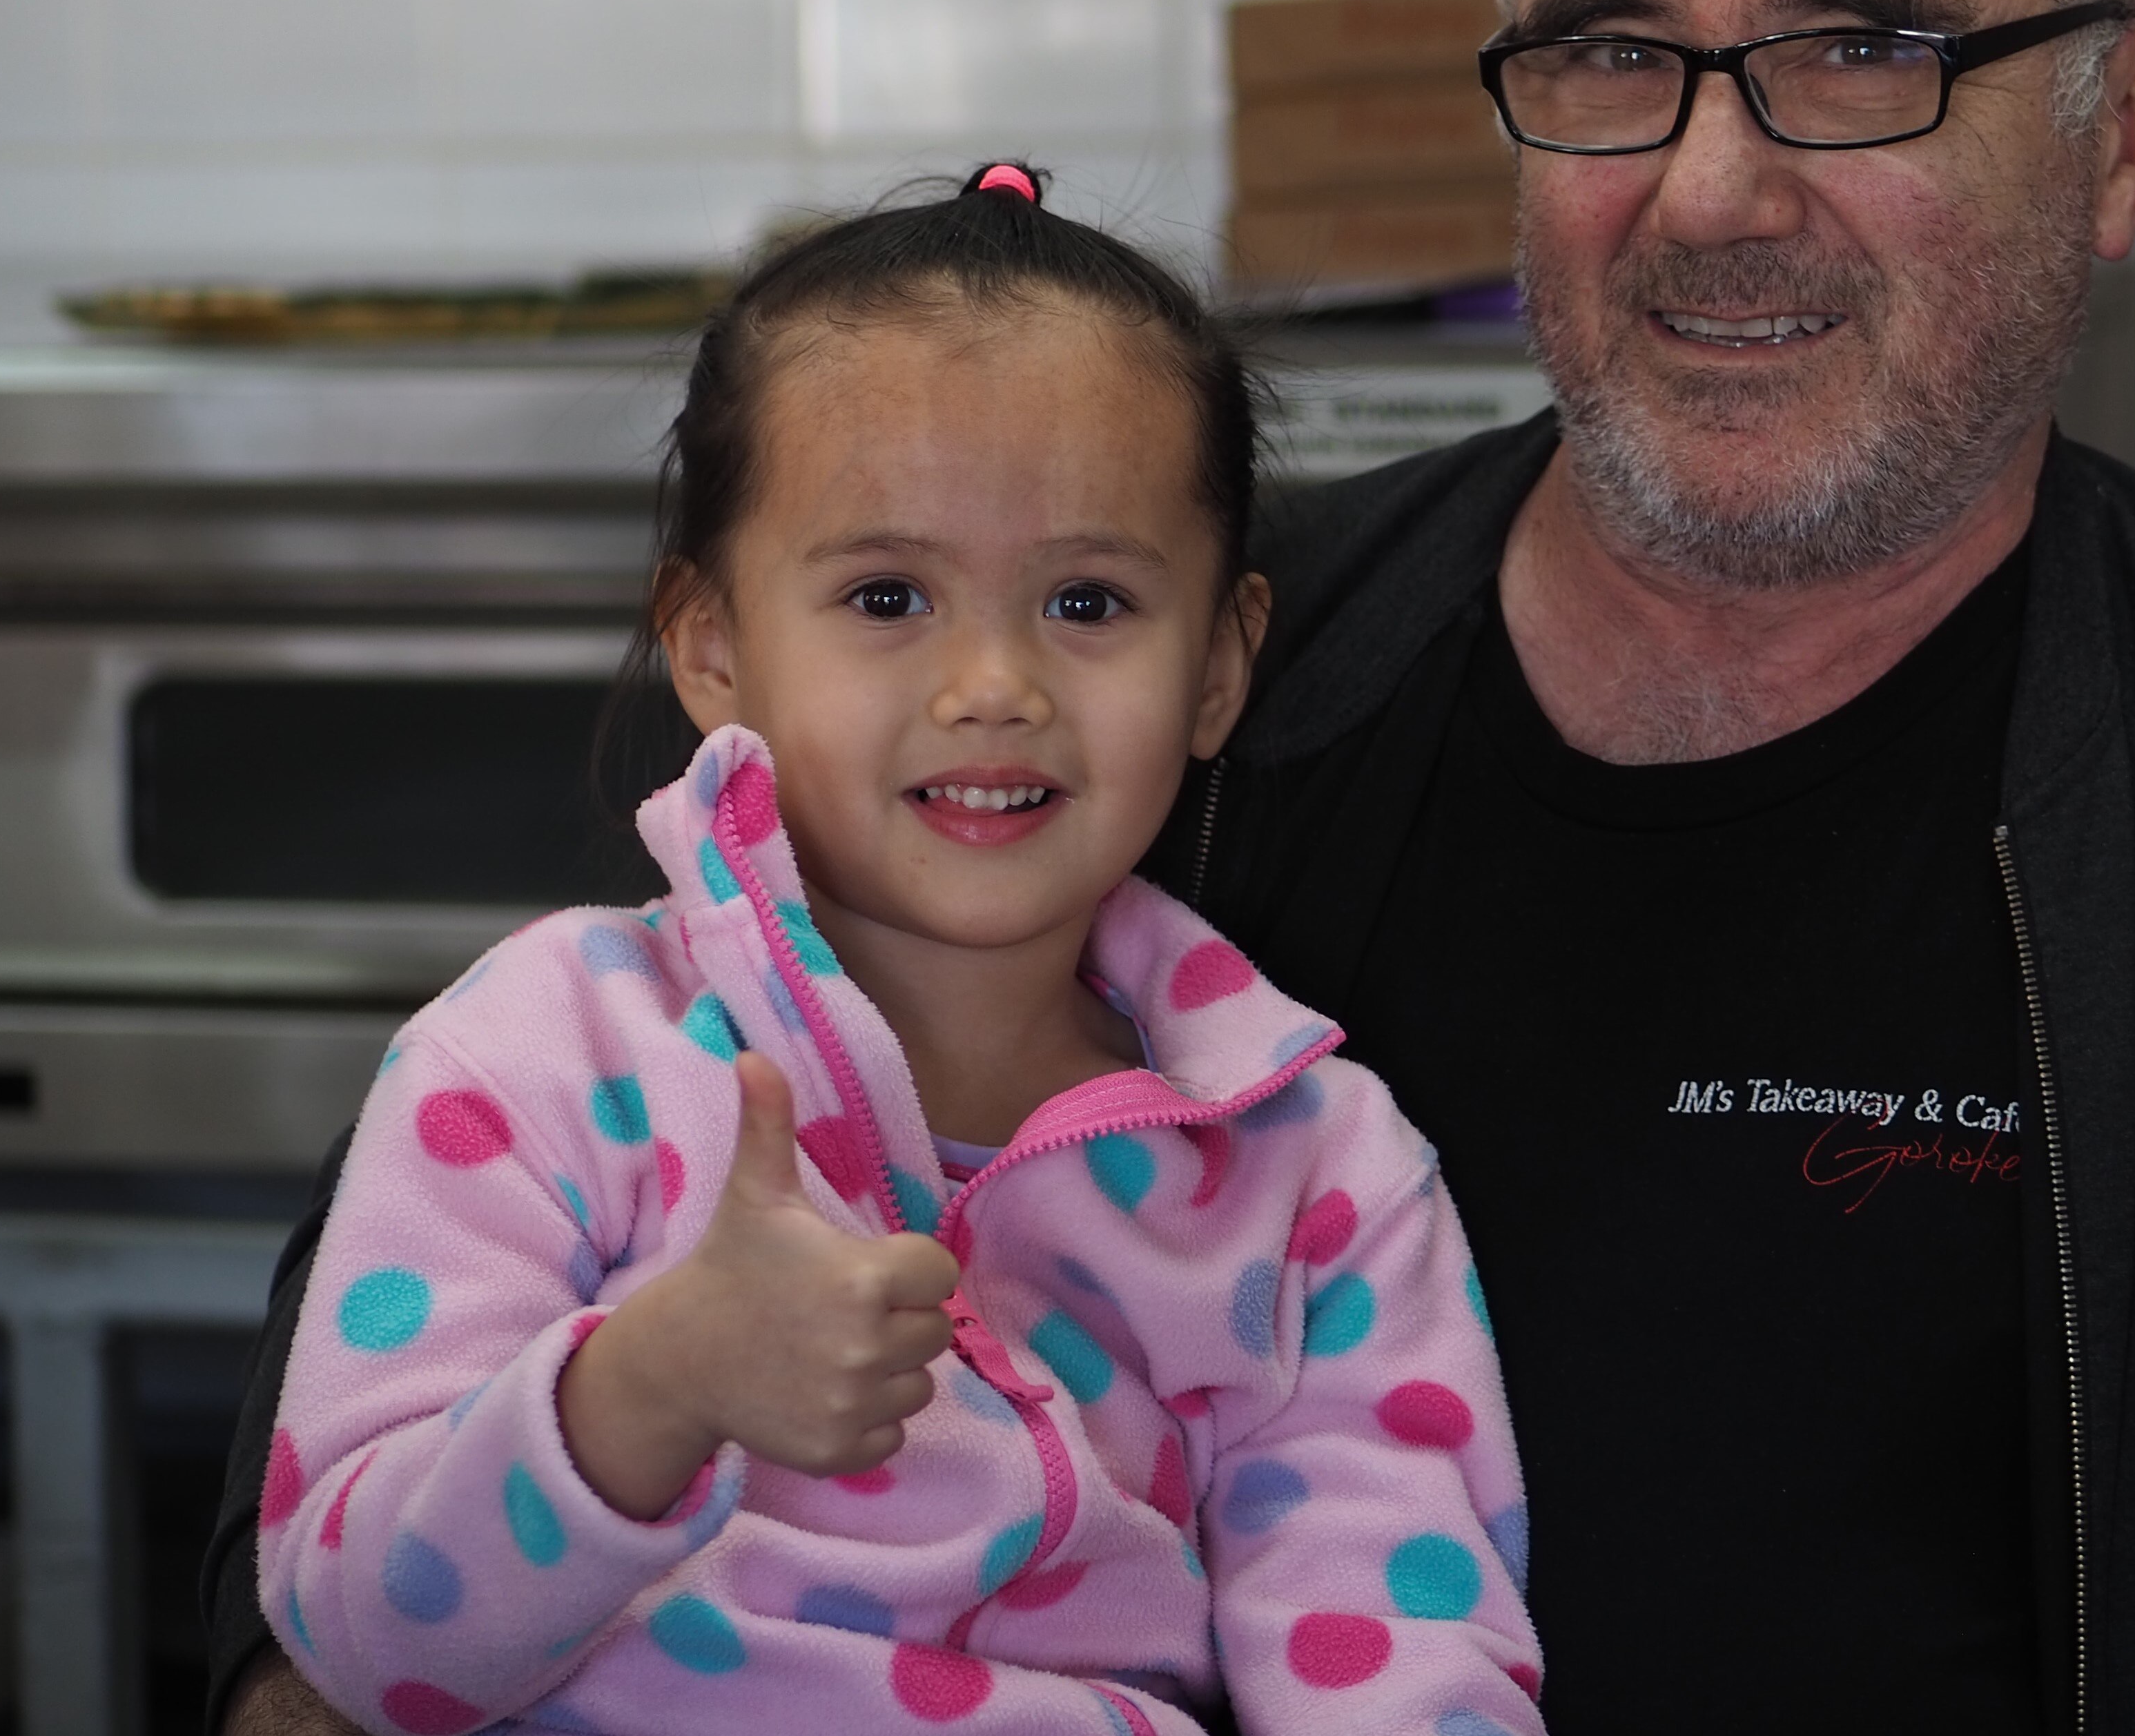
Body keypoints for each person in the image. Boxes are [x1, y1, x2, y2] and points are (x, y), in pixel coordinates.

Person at [214, 0, 2135, 1732]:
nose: (1708, 185)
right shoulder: (1143, 694)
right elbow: (440, 1337)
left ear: (2126, 134)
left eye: (1858, 50)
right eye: (1607, 57)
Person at [242, 168, 1542, 1736]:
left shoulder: (1316, 1169)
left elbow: (1397, 1652)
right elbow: (366, 1645)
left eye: (1087, 600)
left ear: (1217, 666)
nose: (992, 684)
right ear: (713, 646)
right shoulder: (534, 1058)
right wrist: (648, 1388)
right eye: (886, 595)